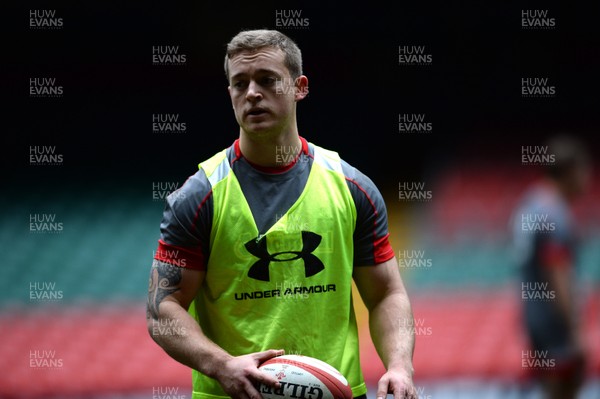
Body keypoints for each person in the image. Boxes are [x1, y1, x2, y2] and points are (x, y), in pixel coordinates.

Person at [146, 29, 416, 399]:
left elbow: (385, 293)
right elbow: (163, 309)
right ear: (230, 95)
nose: (252, 92)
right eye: (239, 83)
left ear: (299, 87)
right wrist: (221, 365)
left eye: (267, 80)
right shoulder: (198, 197)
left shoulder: (353, 189)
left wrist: (399, 366)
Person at [512, 136, 591, 399]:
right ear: (568, 172)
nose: (587, 179)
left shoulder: (530, 203)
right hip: (555, 322)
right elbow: (557, 274)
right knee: (564, 390)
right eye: (583, 171)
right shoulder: (555, 214)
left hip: (533, 317)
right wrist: (575, 330)